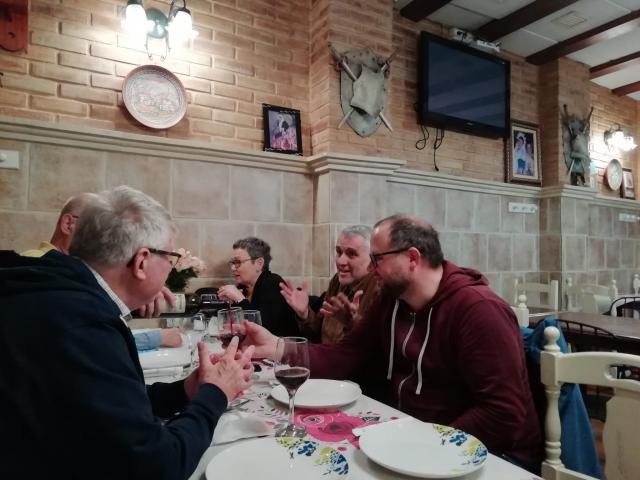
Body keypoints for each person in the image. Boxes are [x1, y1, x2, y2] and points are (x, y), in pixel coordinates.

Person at [242, 214, 541, 469]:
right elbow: (347, 355)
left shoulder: (478, 310)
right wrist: (278, 347)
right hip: (409, 434)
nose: (372, 269)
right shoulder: (392, 300)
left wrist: (424, 445)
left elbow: (503, 413)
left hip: (491, 455)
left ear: (412, 258)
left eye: (377, 259)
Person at [0, 185, 254, 480]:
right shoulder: (82, 322)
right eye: (170, 259)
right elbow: (157, 466)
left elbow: (107, 403)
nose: (170, 270)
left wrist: (185, 390)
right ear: (142, 261)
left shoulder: (52, 289)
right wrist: (216, 395)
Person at [20, 192, 181, 350]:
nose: (104, 234)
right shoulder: (38, 265)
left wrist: (139, 289)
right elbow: (86, 338)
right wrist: (156, 337)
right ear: (68, 224)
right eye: (91, 224)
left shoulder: (73, 277)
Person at [280, 225, 378, 344]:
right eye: (339, 252)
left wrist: (354, 323)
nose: (341, 261)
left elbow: (378, 347)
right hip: (325, 355)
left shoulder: (379, 287)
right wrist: (305, 313)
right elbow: (318, 335)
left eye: (351, 254)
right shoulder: (337, 281)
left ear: (372, 259)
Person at [217, 237, 299, 337]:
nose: (232, 268)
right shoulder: (243, 288)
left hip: (284, 345)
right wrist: (228, 303)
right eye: (232, 263)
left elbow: (263, 330)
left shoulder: (273, 283)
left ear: (259, 263)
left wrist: (240, 299)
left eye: (237, 262)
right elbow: (234, 327)